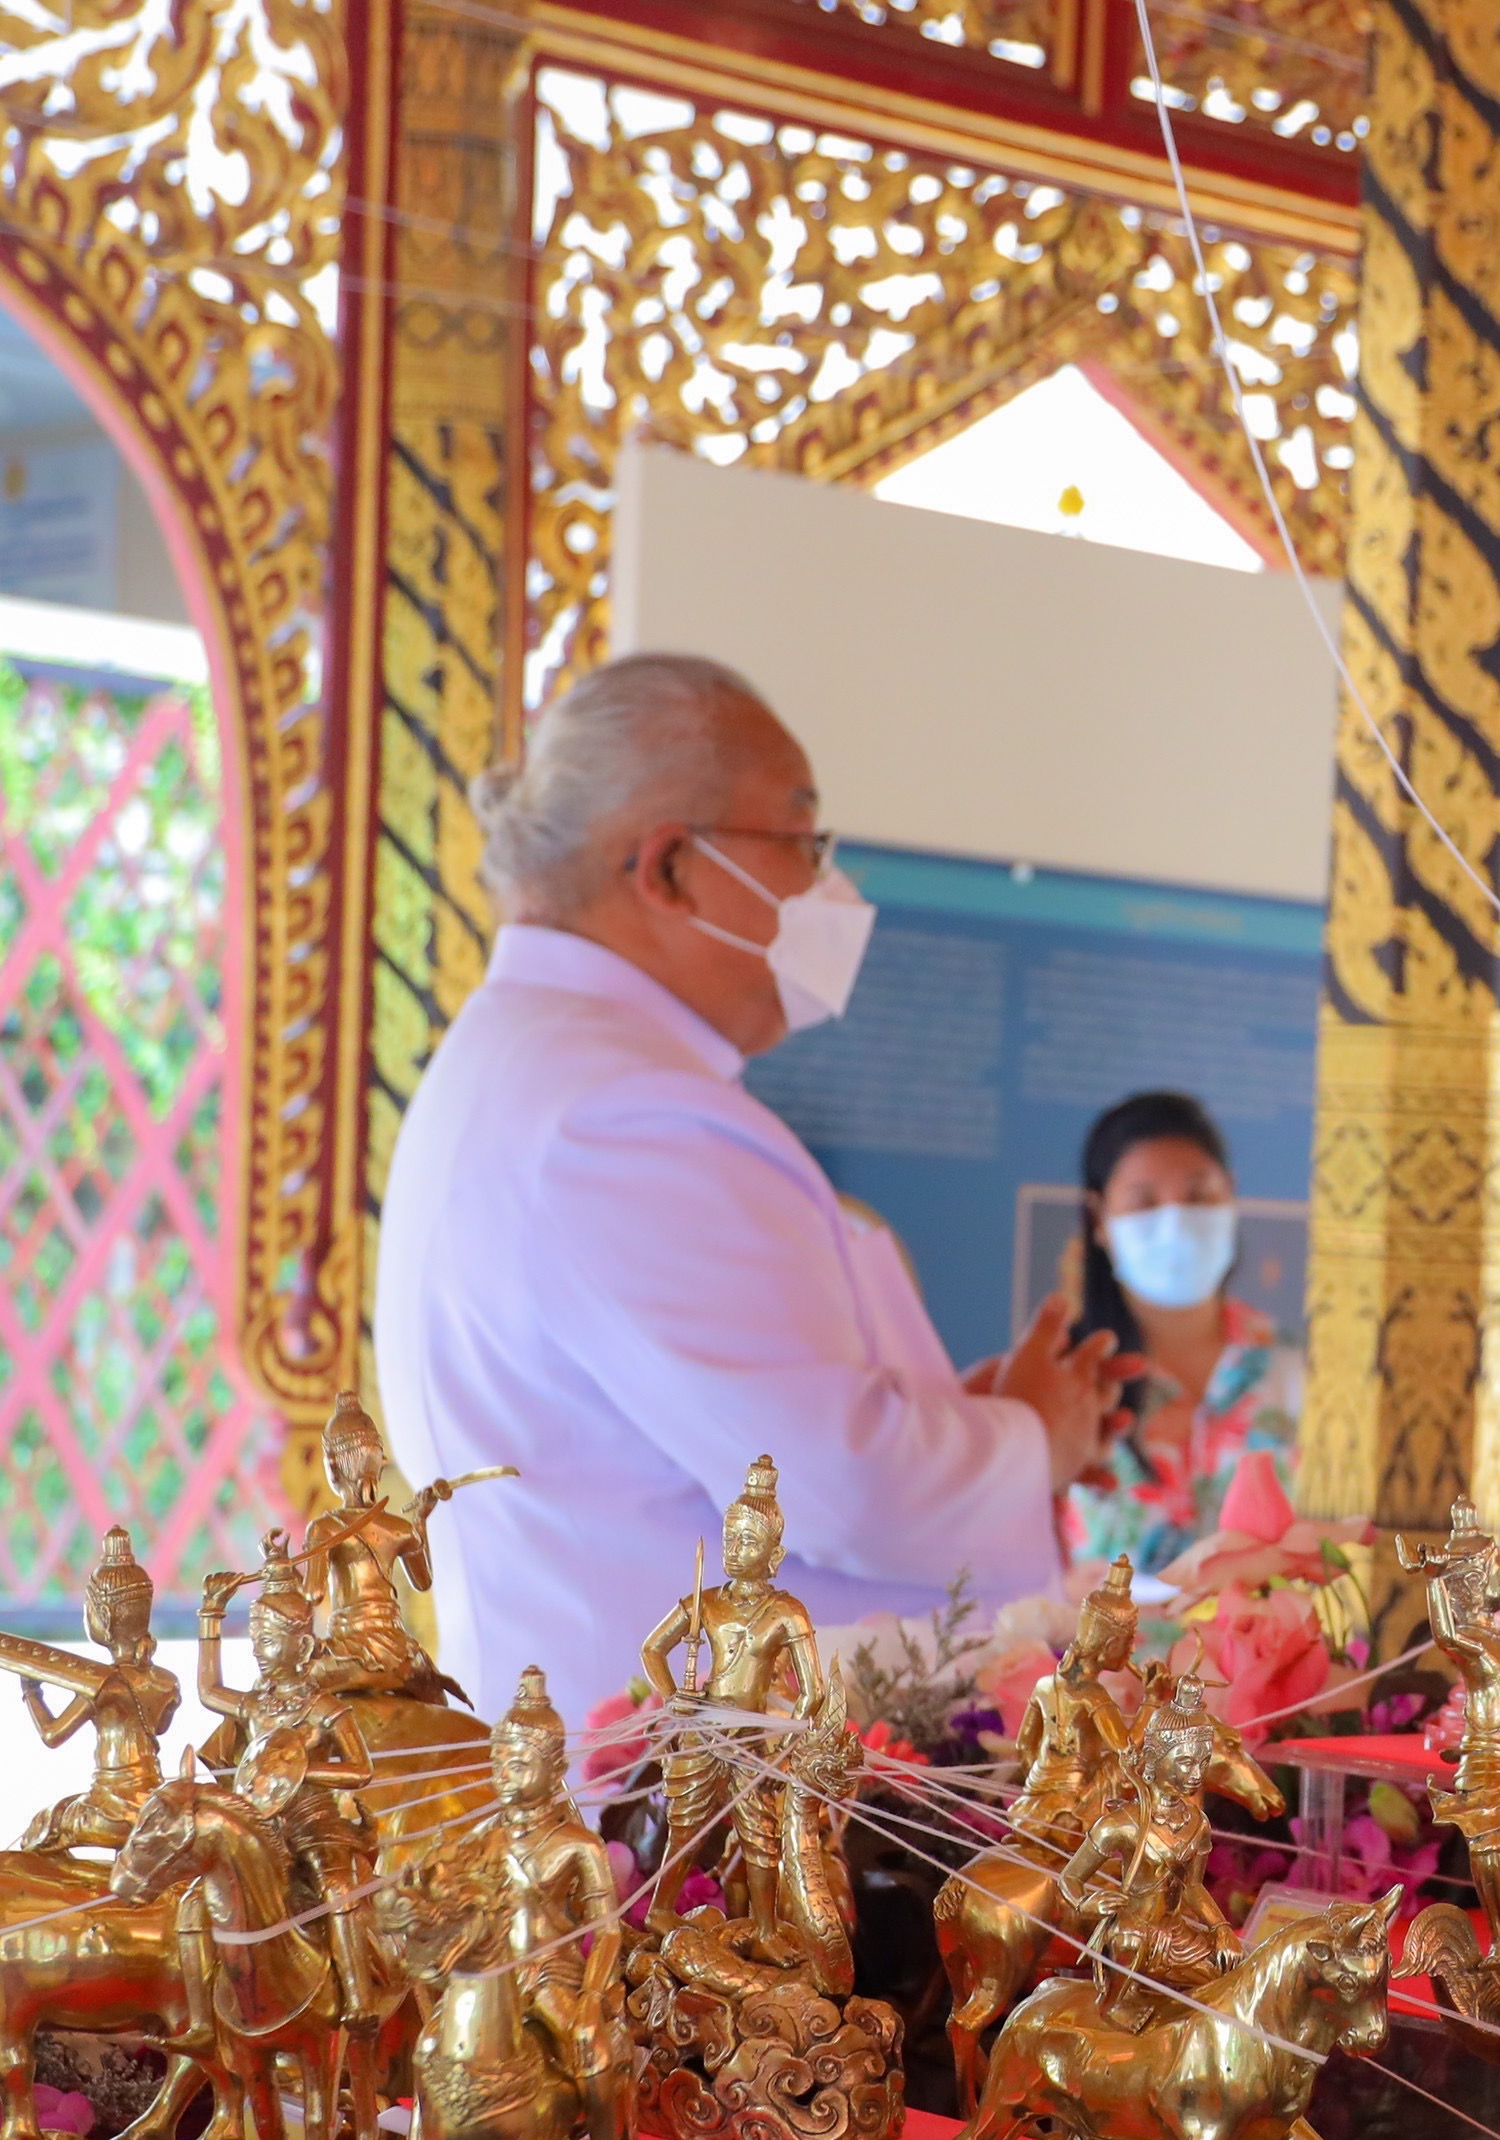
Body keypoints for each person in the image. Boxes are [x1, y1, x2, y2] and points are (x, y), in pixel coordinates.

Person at [374, 653, 1130, 1713]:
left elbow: (713, 1436)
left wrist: (959, 1419)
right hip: (682, 1821)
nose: (832, 887)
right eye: (803, 841)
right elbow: (831, 1484)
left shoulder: (534, 1064)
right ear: (672, 868)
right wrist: (1030, 1439)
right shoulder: (625, 1115)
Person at [1062, 1089, 1302, 1578]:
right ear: (1099, 1220)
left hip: (1273, 1651)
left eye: (1197, 1195)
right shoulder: (1067, 1377)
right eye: (1144, 1201)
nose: (1175, 1221)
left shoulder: (1294, 1367)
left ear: (1230, 1196)